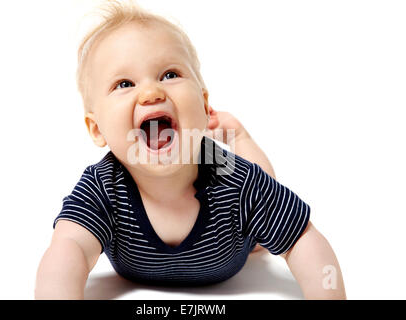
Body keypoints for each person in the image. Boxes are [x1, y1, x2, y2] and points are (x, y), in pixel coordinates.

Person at [35, 0, 345, 299]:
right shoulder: (103, 186)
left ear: (203, 104)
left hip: (232, 221)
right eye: (124, 84)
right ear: (97, 129)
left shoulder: (236, 179)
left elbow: (302, 238)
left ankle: (238, 137)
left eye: (169, 75)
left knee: (264, 196)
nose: (150, 92)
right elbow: (67, 249)